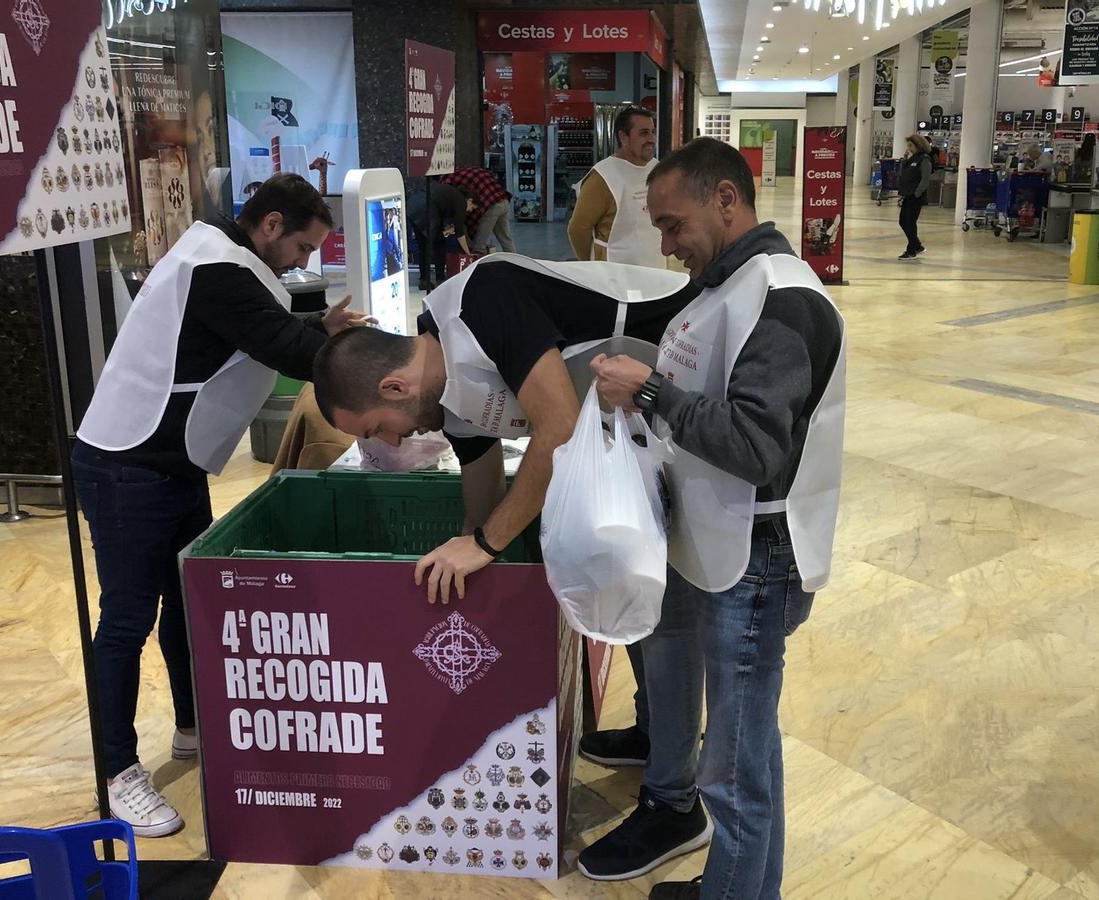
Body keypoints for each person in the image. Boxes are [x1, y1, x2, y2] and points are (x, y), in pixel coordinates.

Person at [579, 137, 846, 900]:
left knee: (733, 772)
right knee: (745, 756)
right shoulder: (728, 290)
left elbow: (758, 444)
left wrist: (652, 392)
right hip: (726, 546)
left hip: (758, 561)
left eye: (674, 224)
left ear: (726, 199)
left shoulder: (783, 296)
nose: (666, 244)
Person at [72, 173, 369, 837]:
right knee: (126, 619)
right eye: (300, 247)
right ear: (269, 226)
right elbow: (281, 345)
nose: (303, 262)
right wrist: (382, 362)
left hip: (171, 464)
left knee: (185, 597)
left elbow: (261, 326)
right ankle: (115, 770)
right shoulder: (215, 266)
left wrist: (319, 324)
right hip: (129, 467)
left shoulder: (223, 258)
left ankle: (189, 727)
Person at [312, 256, 701, 604]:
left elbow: (560, 429)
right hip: (650, 431)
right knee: (647, 600)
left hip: (702, 378)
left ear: (394, 388)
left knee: (688, 604)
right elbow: (483, 513)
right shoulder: (451, 400)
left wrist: (484, 544)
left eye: (378, 428)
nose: (393, 441)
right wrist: (460, 555)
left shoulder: (483, 299)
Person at [568, 106, 669, 267]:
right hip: (616, 280)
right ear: (623, 137)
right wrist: (593, 265)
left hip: (656, 272)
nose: (652, 139)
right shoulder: (603, 177)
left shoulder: (656, 169)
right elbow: (578, 229)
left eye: (652, 132)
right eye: (644, 133)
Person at [407, 181, 475, 291]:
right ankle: (440, 278)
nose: (470, 211)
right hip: (427, 208)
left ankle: (424, 280)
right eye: (472, 207)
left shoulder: (452, 193)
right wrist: (467, 252)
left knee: (423, 246)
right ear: (470, 200)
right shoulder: (461, 202)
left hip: (413, 205)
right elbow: (459, 232)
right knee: (439, 245)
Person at [442, 166, 517, 254]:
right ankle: (515, 262)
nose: (470, 211)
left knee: (479, 245)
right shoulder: (468, 171)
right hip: (504, 200)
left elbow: (458, 209)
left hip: (492, 206)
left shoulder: (448, 181)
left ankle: (477, 265)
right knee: (505, 238)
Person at [897, 133, 933, 260]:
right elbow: (904, 174)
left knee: (910, 222)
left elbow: (925, 179)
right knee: (903, 221)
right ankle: (917, 245)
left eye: (911, 145)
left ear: (918, 146)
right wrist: (904, 160)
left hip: (915, 196)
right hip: (908, 194)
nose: (909, 148)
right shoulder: (911, 159)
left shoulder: (924, 160)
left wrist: (917, 193)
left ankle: (911, 250)